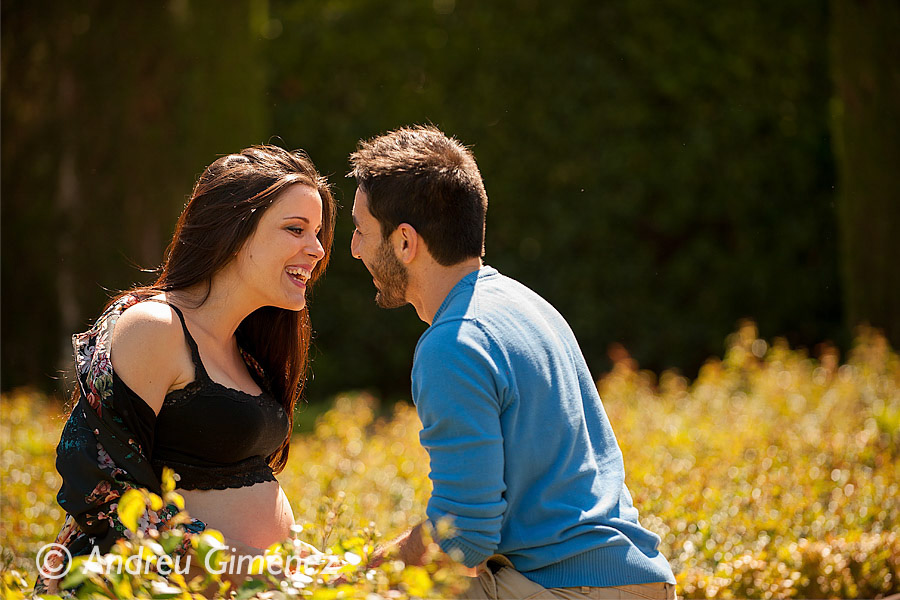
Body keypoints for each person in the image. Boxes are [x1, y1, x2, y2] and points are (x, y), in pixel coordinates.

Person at [348, 125, 677, 599]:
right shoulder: (525, 304)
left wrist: (363, 571)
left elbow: (465, 535)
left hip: (576, 590)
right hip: (629, 580)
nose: (355, 248)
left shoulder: (452, 344)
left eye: (361, 231)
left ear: (404, 242)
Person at [36, 145, 336, 594]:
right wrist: (250, 567)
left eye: (318, 233)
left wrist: (294, 560)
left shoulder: (247, 351)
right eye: (296, 229)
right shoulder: (153, 327)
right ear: (234, 230)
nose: (316, 249)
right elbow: (104, 494)